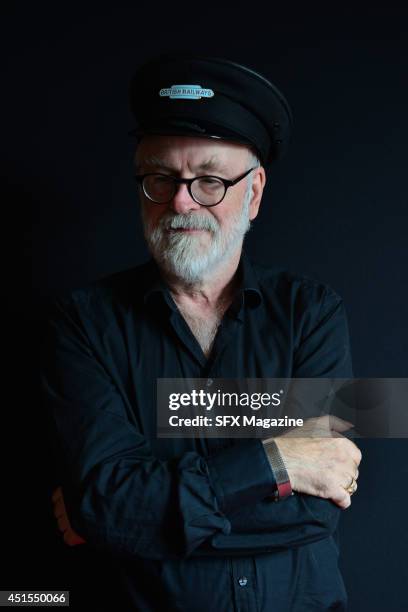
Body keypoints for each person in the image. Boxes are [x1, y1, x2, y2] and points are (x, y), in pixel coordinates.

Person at [41, 53, 362, 611]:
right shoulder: (82, 323)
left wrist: (134, 516)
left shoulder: (312, 313)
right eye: (161, 178)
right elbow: (106, 505)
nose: (181, 201)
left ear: (254, 191)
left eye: (209, 180)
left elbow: (320, 507)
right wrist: (275, 463)